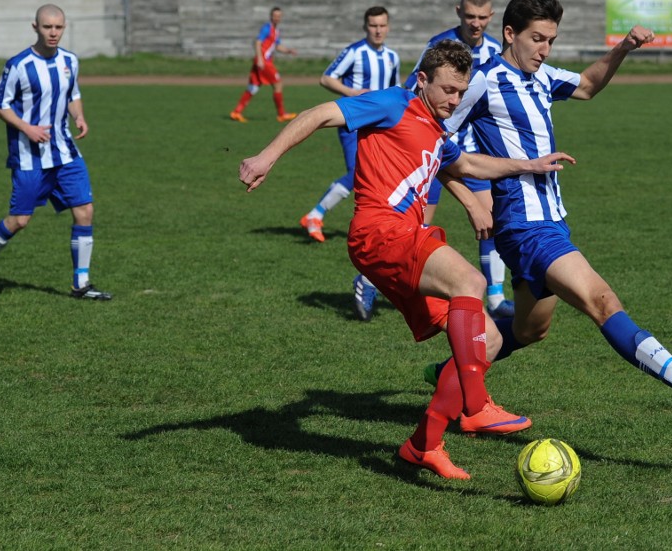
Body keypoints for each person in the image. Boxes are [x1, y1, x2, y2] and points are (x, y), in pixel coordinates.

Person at [241, 39, 576, 479]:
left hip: (400, 241)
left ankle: (423, 444)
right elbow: (320, 113)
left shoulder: (436, 131)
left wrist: (529, 166)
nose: (455, 100)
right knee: (471, 283)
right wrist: (267, 156)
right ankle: (474, 407)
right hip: (379, 232)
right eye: (448, 90)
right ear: (422, 80)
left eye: (461, 92)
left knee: (488, 341)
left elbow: (469, 166)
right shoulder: (393, 104)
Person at [428, 0, 672, 418]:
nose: (544, 48)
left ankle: (448, 373)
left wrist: (622, 48)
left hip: (551, 222)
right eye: (536, 38)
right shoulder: (483, 80)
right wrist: (473, 201)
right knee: (601, 300)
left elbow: (586, 86)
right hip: (525, 227)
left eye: (550, 39)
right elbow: (434, 144)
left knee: (531, 329)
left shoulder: (542, 77)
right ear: (509, 34)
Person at [0, 4, 111, 301]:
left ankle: (81, 284)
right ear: (35, 27)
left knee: (85, 211)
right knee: (19, 220)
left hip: (65, 151)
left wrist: (78, 116)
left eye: (58, 27)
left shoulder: (70, 61)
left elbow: (73, 95)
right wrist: (27, 128)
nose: (53, 33)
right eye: (47, 27)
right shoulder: (18, 65)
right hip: (30, 156)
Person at [404, 0, 514, 321]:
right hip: (434, 152)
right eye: (469, 16)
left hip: (472, 154)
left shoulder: (497, 50)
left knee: (490, 220)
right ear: (458, 12)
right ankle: (369, 282)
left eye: (482, 17)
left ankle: (495, 295)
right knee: (415, 231)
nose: (476, 23)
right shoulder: (440, 46)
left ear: (491, 17)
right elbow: (413, 89)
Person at [297, 6, 401, 321]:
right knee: (359, 176)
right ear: (365, 26)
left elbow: (395, 90)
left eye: (382, 25)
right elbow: (325, 78)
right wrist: (352, 93)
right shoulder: (354, 52)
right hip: (354, 124)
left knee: (375, 182)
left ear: (388, 26)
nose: (378, 30)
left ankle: (321, 217)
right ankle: (315, 216)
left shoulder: (392, 57)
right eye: (373, 25)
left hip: (381, 127)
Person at [230, 7, 298, 123]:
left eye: (279, 16)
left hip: (262, 61)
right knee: (278, 84)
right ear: (271, 17)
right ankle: (281, 114)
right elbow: (258, 42)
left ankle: (236, 112)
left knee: (253, 87)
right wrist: (260, 59)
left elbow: (277, 46)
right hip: (264, 62)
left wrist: (288, 51)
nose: (277, 18)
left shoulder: (276, 31)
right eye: (275, 16)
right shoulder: (267, 28)